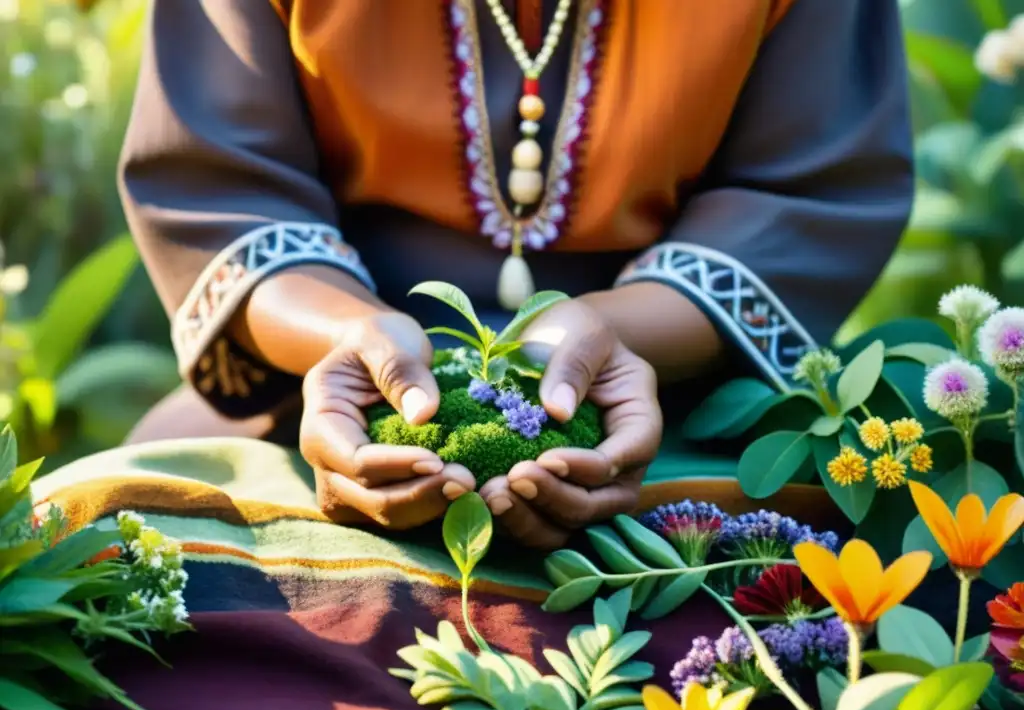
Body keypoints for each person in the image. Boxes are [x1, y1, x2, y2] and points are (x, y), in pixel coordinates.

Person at [119, 0, 913, 551]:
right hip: (328, 398)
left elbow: (805, 190)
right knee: (122, 553)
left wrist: (616, 331)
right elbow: (222, 184)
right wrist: (352, 336)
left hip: (676, 395)